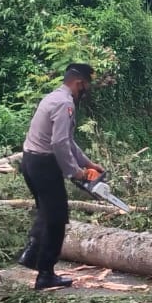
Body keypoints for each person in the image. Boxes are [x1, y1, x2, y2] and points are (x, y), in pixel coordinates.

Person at [20, 63, 102, 290]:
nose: (85, 91)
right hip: (44, 164)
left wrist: (88, 164)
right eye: (85, 86)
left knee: (46, 211)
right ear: (79, 83)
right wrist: (75, 172)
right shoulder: (65, 103)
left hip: (29, 161)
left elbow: (67, 139)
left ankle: (31, 254)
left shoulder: (52, 97)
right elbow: (59, 143)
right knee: (57, 219)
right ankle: (45, 274)